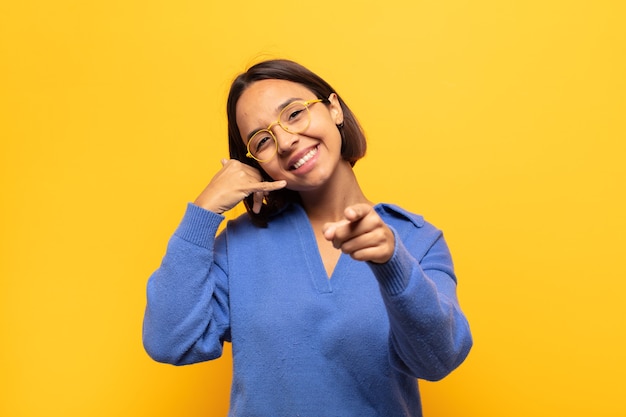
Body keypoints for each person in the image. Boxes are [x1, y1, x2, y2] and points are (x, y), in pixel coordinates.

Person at [142, 59, 473, 416]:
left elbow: (439, 359)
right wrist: (204, 212)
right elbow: (169, 341)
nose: (285, 141)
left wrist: (392, 263)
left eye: (295, 114)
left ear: (333, 108)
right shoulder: (238, 247)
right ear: (255, 164)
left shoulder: (417, 239)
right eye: (263, 140)